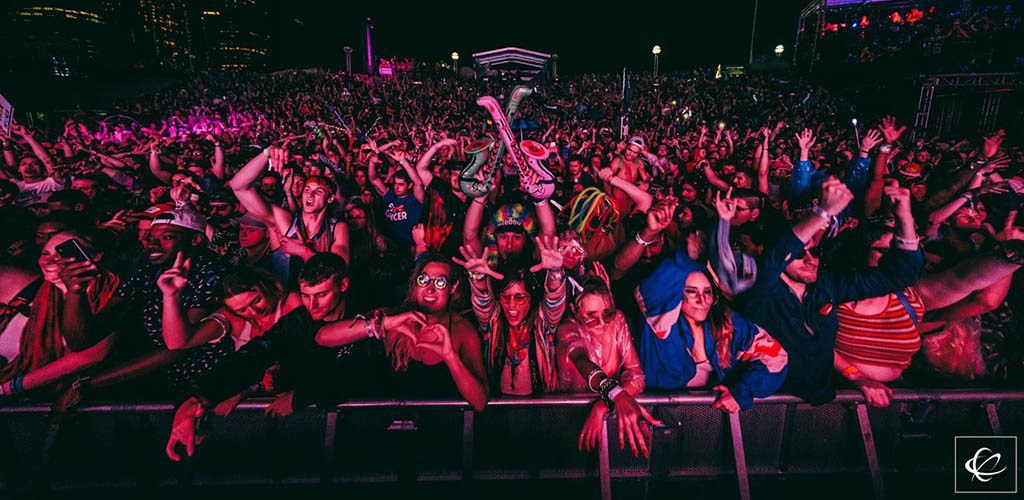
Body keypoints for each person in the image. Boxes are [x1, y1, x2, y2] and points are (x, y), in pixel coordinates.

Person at [165, 253, 385, 461]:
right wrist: (194, 397)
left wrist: (302, 396)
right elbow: (253, 355)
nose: (312, 305)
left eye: (321, 294)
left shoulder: (366, 313)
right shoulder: (298, 320)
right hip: (305, 426)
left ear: (343, 285)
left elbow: (362, 374)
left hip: (359, 428)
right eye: (306, 296)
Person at [735, 178, 923, 404]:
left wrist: (905, 216)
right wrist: (822, 212)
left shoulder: (826, 287)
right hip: (764, 404)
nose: (810, 259)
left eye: (814, 252)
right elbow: (778, 255)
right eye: (799, 254)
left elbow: (900, 276)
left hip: (820, 402)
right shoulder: (759, 291)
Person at [315, 254, 489, 411]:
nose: (430, 289)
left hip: (438, 433)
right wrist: (383, 324)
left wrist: (450, 356)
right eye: (424, 280)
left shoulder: (462, 329)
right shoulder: (393, 317)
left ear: (453, 287)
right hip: (387, 430)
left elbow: (479, 403)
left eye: (440, 282)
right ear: (415, 283)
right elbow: (323, 337)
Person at [637, 245, 789, 412]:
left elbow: (776, 357)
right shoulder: (660, 323)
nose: (702, 300)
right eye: (691, 292)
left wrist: (741, 392)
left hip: (709, 422)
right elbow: (653, 290)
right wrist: (685, 257)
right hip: (656, 419)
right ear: (677, 295)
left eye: (707, 292)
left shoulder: (727, 321)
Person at [557, 277, 661, 458]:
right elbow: (582, 361)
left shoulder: (617, 320)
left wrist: (603, 404)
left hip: (615, 417)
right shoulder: (568, 329)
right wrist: (615, 393)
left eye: (607, 313)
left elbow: (636, 376)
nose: (602, 322)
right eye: (591, 315)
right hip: (571, 420)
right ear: (575, 310)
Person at [455, 236, 566, 395]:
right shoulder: (494, 322)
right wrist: (478, 277)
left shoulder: (543, 324)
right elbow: (482, 300)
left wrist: (555, 272)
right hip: (497, 413)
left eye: (520, 297)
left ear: (531, 298)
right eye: (506, 297)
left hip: (541, 412)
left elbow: (555, 300)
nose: (512, 305)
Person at [228, 147, 350, 284]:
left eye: (319, 191)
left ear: (330, 198)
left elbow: (339, 270)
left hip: (321, 303)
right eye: (307, 190)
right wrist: (266, 153)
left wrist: (303, 251)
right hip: (287, 302)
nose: (310, 194)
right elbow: (239, 187)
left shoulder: (337, 227)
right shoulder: (285, 222)